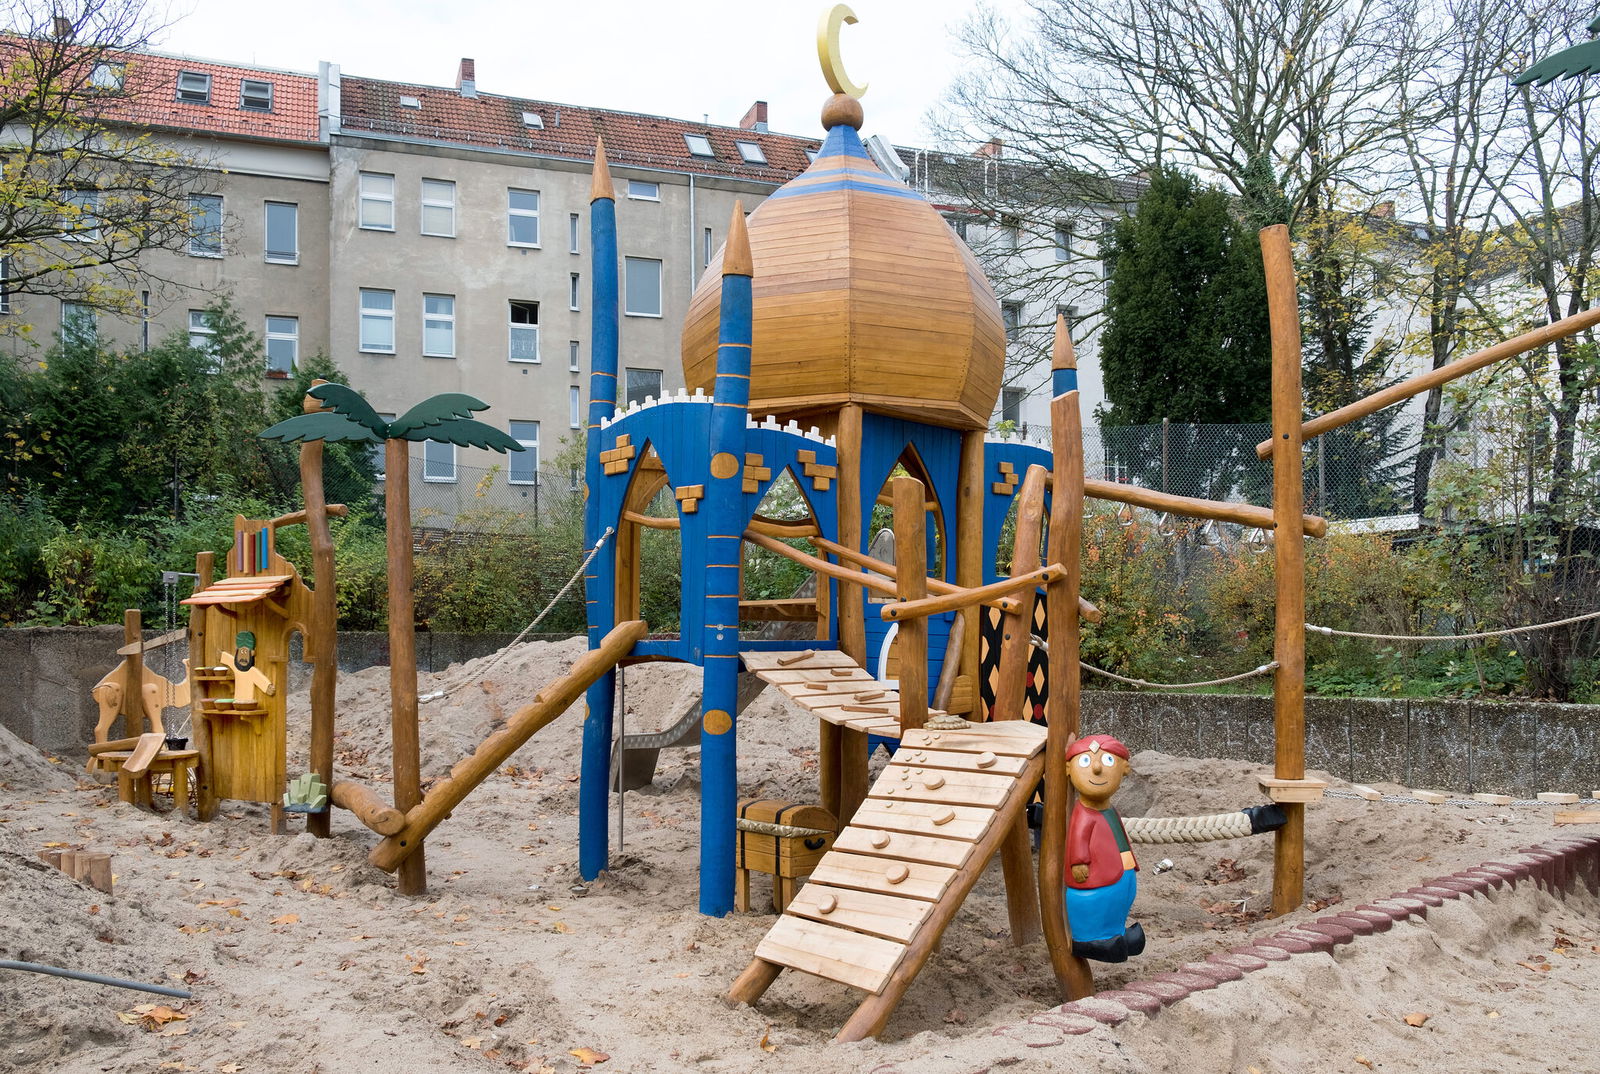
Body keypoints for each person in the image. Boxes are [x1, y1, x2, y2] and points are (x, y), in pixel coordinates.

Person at [1063, 734, 1145, 963]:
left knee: (1119, 901)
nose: (1097, 768)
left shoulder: (1108, 811)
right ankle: (1092, 940)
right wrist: (1078, 861)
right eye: (1086, 762)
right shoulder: (1083, 814)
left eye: (1108, 761)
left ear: (1125, 768)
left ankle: (1116, 933)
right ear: (1069, 769)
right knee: (1099, 903)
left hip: (1119, 871)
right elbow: (1077, 839)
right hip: (1098, 878)